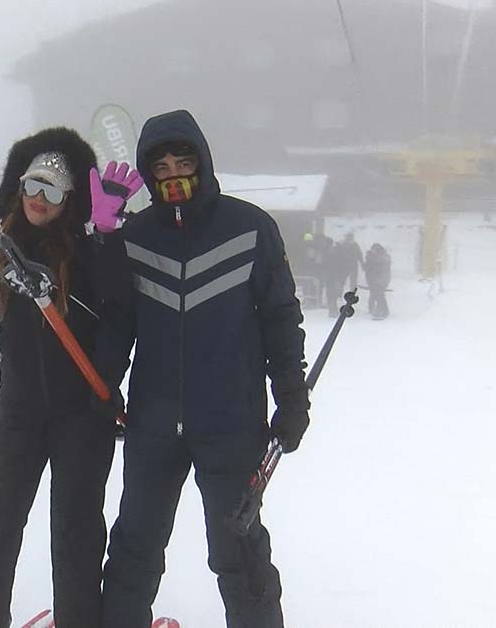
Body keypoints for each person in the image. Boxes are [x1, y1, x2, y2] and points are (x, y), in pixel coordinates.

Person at [100, 110, 310, 627]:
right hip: (153, 424)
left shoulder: (250, 227)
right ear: (149, 175)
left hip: (232, 425)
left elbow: (281, 318)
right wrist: (102, 388)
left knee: (238, 548)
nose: (173, 174)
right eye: (162, 166)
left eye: (183, 161)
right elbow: (115, 324)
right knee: (135, 545)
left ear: (203, 161)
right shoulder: (135, 237)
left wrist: (292, 396)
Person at [0, 127, 137, 627]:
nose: (40, 200)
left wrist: (108, 236)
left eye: (54, 191)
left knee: (76, 531)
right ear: (19, 189)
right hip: (18, 412)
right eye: (33, 187)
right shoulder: (5, 247)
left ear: (70, 199)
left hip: (83, 414)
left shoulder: (85, 252)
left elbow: (121, 303)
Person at [363, 242, 391, 319]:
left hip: (380, 280)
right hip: (373, 279)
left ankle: (381, 311)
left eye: (374, 250)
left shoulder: (382, 258)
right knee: (376, 295)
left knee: (379, 295)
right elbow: (366, 268)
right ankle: (379, 310)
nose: (372, 251)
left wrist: (370, 259)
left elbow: (381, 269)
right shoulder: (374, 257)